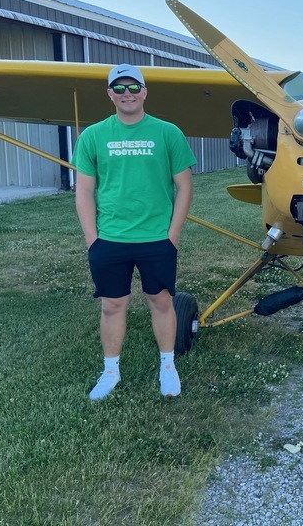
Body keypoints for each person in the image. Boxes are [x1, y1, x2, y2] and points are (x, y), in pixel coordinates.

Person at [73, 63, 196, 401]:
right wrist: (91, 238)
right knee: (113, 304)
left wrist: (172, 235)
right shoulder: (93, 136)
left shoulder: (168, 132)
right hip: (109, 238)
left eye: (133, 87)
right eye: (119, 88)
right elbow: (83, 190)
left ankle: (168, 367)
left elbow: (184, 186)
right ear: (110, 93)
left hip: (156, 238)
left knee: (161, 300)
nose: (127, 94)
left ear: (144, 91)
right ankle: (110, 371)